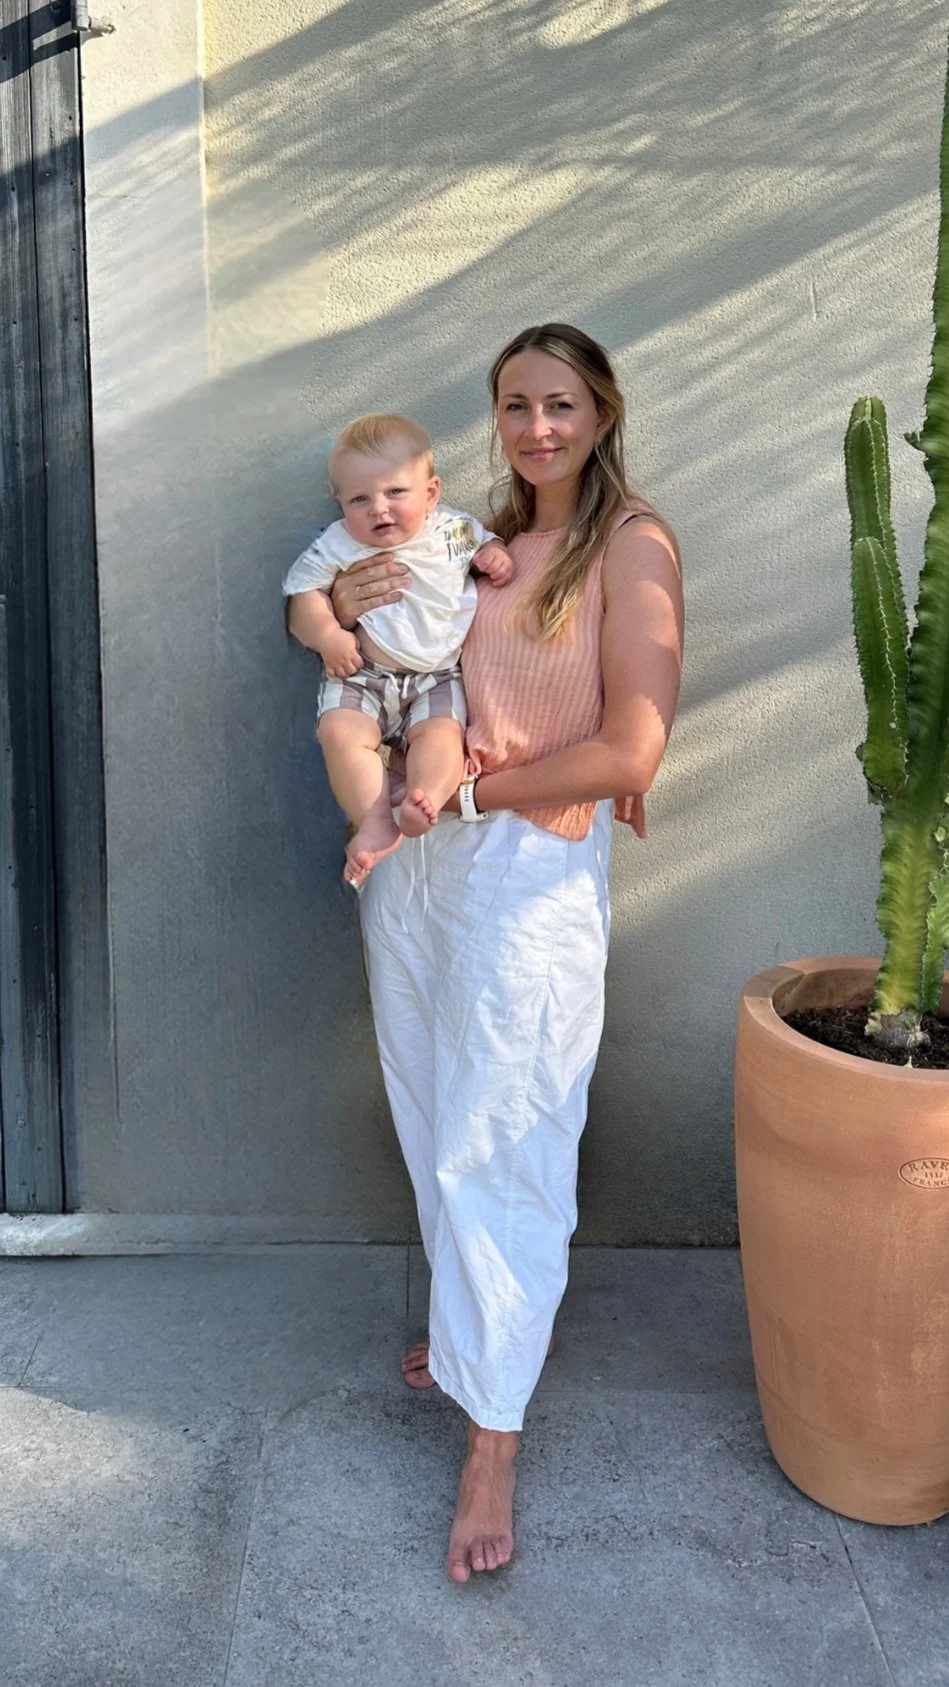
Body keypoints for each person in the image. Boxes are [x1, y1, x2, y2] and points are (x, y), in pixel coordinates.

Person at [289, 324, 684, 1583]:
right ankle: (475, 1342)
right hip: (417, 869)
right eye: (513, 405)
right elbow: (387, 657)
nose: (536, 427)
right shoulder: (467, 538)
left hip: (521, 868)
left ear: (602, 409)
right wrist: (338, 610)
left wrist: (471, 800)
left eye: (558, 403)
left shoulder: (633, 545)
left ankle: (492, 1438)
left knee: (504, 1133)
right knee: (432, 1115)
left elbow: (629, 751)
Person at [283, 413, 513, 880]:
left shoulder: (454, 531)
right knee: (340, 735)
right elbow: (304, 594)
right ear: (339, 501)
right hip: (364, 671)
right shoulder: (341, 542)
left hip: (437, 674)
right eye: (360, 499)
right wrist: (329, 635)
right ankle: (372, 822)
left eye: (395, 492)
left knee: (442, 738)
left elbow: (490, 545)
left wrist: (494, 554)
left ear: (431, 493)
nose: (378, 509)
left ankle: (422, 796)